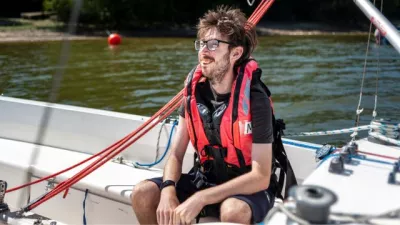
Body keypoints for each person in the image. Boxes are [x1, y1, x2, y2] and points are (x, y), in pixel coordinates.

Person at [131, 5, 296, 225]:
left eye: (213, 45)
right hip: (206, 180)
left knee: (232, 211)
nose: (203, 51)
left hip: (248, 188)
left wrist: (201, 198)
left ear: (235, 53)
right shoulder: (193, 94)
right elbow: (176, 155)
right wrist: (168, 189)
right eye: (201, 44)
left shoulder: (255, 100)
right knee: (143, 193)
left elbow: (261, 176)